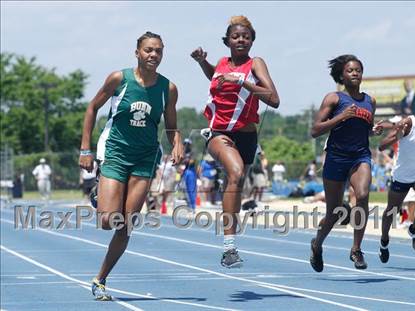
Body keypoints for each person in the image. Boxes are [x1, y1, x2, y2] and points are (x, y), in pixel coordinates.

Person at [79, 31, 183, 300]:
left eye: (159, 51)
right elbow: (92, 108)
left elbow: (171, 126)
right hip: (115, 151)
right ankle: (98, 195)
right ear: (137, 52)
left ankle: (100, 279)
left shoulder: (168, 88)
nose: (154, 55)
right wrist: (85, 149)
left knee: (125, 224)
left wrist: (178, 143)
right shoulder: (119, 79)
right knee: (107, 221)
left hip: (145, 157)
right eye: (148, 50)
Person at [191, 15, 279, 268]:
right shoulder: (221, 62)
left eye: (246, 36)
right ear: (227, 40)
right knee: (236, 172)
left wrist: (243, 81)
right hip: (220, 133)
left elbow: (273, 100)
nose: (241, 40)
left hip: (248, 135)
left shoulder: (255, 64)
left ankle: (230, 242)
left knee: (238, 182)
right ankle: (229, 249)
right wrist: (202, 62)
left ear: (252, 41)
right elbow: (216, 78)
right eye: (236, 36)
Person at [309, 54, 384, 272]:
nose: (354, 73)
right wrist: (340, 117)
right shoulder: (334, 99)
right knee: (334, 213)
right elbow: (315, 130)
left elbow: (364, 130)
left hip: (360, 155)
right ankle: (317, 244)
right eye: (350, 70)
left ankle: (356, 249)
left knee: (361, 196)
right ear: (342, 75)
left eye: (358, 70)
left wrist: (373, 131)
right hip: (336, 157)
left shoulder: (370, 101)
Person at [378, 114, 415, 262]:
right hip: (401, 177)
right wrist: (398, 135)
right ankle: (384, 241)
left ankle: (414, 229)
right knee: (391, 211)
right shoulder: (408, 124)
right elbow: (382, 146)